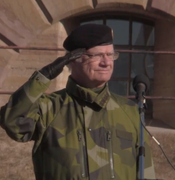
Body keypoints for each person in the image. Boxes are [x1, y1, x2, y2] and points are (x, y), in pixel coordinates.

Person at [0, 24, 156, 180]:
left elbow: (146, 173)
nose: (107, 62)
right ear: (74, 59)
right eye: (97, 55)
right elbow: (13, 122)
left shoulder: (130, 112)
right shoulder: (49, 109)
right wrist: (44, 76)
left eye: (111, 55)